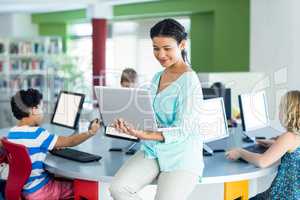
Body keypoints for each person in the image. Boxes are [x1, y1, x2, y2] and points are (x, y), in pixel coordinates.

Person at [109, 18, 204, 200]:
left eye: (167, 48)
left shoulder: (190, 81)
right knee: (118, 189)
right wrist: (130, 126)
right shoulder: (157, 77)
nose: (161, 54)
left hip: (181, 156)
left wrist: (144, 134)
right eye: (155, 48)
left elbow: (182, 130)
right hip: (153, 150)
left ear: (182, 45)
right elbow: (149, 115)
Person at [8, 88, 101, 200]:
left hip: (25, 190)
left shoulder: (12, 133)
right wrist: (91, 132)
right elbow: (70, 141)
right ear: (34, 110)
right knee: (80, 187)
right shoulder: (38, 134)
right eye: (41, 108)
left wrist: (53, 144)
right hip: (42, 190)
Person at [226, 90, 300, 200]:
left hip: (278, 197)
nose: (278, 111)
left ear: (288, 112)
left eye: (280, 107)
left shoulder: (289, 137)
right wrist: (276, 145)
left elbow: (262, 162)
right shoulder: (294, 137)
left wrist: (240, 152)